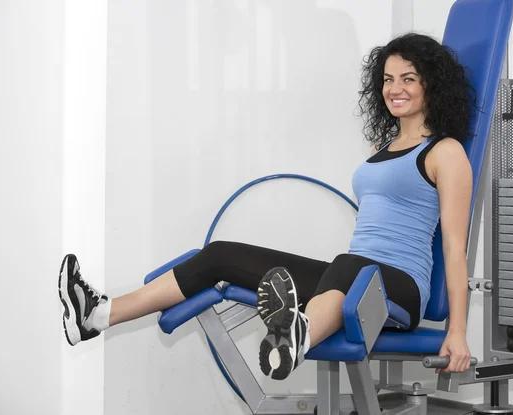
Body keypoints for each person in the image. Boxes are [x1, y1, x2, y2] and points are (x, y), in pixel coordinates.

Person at [58, 32, 476, 380]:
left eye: (408, 78)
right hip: (349, 276)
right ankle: (97, 314)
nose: (394, 89)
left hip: (399, 288)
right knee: (221, 254)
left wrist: (456, 332)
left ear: (430, 84)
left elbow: (454, 247)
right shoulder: (380, 148)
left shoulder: (445, 152)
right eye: (387, 79)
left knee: (350, 266)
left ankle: (296, 336)